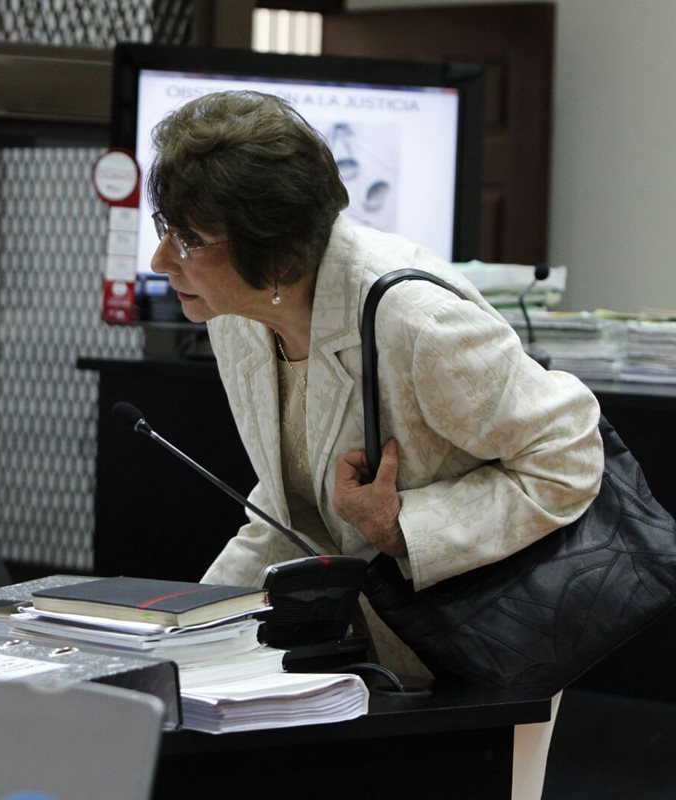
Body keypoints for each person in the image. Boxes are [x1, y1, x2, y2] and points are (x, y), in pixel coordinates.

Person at [146, 92, 601, 797]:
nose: (160, 257)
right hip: (365, 666)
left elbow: (570, 454)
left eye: (188, 238)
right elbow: (287, 502)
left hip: (481, 651)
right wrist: (178, 635)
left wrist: (408, 527)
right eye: (164, 226)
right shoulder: (237, 315)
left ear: (274, 246)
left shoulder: (414, 320)